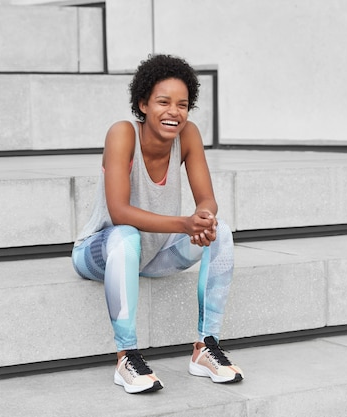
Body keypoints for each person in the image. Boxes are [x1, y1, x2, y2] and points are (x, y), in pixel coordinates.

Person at [72, 53, 243, 394]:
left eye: (182, 104)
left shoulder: (189, 135)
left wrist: (204, 217)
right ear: (143, 104)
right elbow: (119, 211)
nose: (174, 112)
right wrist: (184, 224)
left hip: (152, 254)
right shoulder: (122, 134)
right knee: (125, 235)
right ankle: (126, 356)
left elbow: (206, 198)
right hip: (100, 251)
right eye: (163, 102)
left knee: (220, 230)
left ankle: (205, 347)